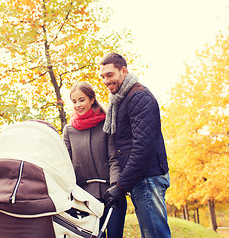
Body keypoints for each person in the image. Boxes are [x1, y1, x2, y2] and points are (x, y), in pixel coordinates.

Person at [99, 53, 171, 238]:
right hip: (141, 179)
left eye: (110, 74)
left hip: (148, 178)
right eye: (103, 77)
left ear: (124, 71)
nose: (106, 81)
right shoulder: (122, 99)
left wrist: (121, 186)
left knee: (155, 235)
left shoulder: (138, 97)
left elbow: (143, 147)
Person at [63, 81, 127, 238]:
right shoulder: (69, 130)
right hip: (83, 198)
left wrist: (116, 188)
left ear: (92, 99)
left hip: (110, 194)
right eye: (74, 101)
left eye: (82, 99)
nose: (78, 104)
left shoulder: (106, 124)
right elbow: (66, 165)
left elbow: (114, 159)